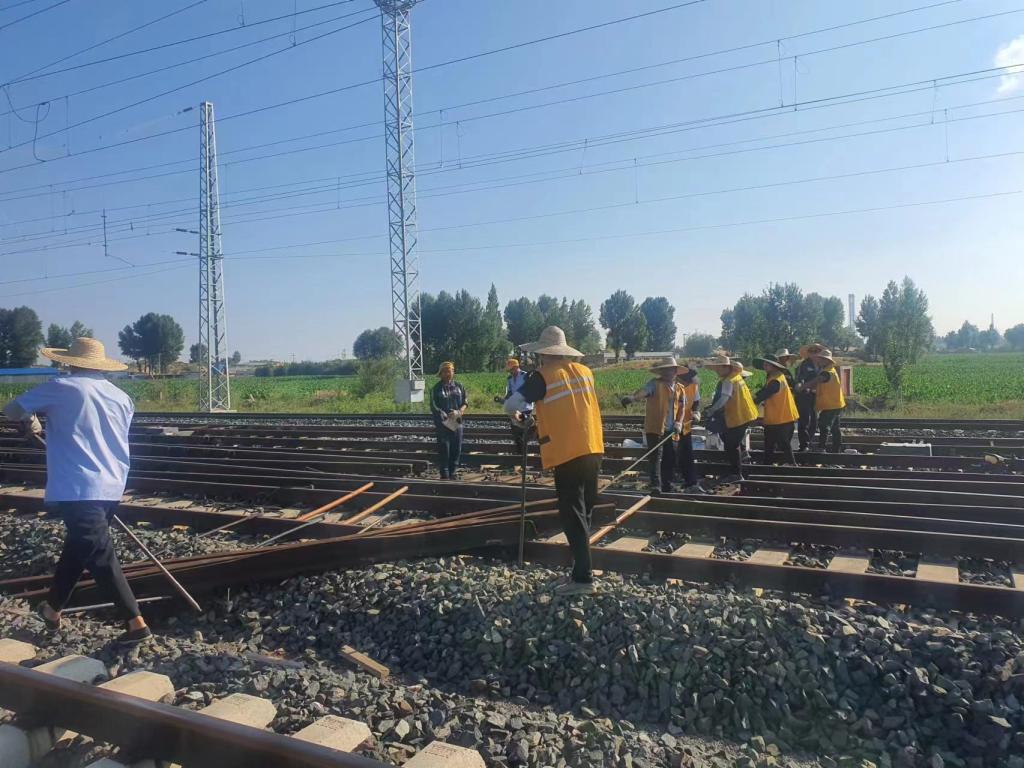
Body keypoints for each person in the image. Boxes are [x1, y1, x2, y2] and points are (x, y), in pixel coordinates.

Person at [2, 337, 151, 646]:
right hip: (113, 484)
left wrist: (31, 419)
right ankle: (52, 609)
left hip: (78, 485)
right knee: (80, 549)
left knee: (98, 553)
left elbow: (12, 409)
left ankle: (134, 622)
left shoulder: (62, 386)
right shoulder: (121, 397)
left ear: (70, 363)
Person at [503, 326, 604, 596]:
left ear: (543, 353)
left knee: (572, 516)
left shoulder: (543, 375)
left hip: (568, 453)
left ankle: (583, 579)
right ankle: (580, 569)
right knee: (584, 513)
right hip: (593, 447)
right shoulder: (585, 372)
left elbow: (511, 405)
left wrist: (518, 417)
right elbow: (570, 410)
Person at [700, 355, 758, 483]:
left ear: (727, 367)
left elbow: (724, 399)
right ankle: (743, 456)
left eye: (719, 368)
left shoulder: (728, 381)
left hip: (739, 416)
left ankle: (737, 473)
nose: (717, 370)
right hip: (745, 414)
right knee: (729, 439)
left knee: (731, 445)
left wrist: (711, 410)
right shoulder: (736, 377)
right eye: (716, 368)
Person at [753, 355, 799, 465]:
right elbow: (764, 390)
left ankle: (791, 465)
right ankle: (768, 464)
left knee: (782, 443)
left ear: (774, 366)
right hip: (778, 417)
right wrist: (754, 396)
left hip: (782, 417)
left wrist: (754, 401)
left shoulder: (776, 380)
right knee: (770, 443)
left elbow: (766, 393)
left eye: (767, 364)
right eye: (764, 364)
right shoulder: (774, 376)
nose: (764, 366)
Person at [430, 361, 467, 479]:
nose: (447, 374)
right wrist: (444, 415)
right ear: (440, 373)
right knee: (444, 449)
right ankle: (445, 473)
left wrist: (459, 411)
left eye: (450, 371)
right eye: (445, 371)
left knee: (456, 448)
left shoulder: (459, 386)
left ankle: (453, 471)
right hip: (443, 423)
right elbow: (434, 406)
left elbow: (465, 402)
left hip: (457, 421)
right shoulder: (436, 388)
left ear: (453, 372)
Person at [804, 349, 846, 453]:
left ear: (827, 360)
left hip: (831, 404)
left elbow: (816, 381)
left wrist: (802, 387)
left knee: (823, 425)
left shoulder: (826, 373)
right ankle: (837, 449)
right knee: (835, 428)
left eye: (822, 359)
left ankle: (821, 447)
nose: (819, 361)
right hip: (837, 403)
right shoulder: (831, 370)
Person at [674, 363, 706, 494]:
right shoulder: (673, 386)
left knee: (686, 451)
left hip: (686, 423)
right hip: (672, 423)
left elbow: (696, 401)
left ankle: (689, 480)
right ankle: (673, 477)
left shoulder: (693, 385)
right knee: (671, 451)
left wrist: (696, 411)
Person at [497, 357, 532, 456]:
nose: (510, 372)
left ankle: (524, 453)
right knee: (515, 431)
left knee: (523, 431)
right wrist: (503, 400)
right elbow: (509, 393)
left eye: (511, 370)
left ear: (516, 367)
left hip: (525, 407)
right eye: (509, 370)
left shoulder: (525, 376)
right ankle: (520, 453)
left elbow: (530, 390)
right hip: (515, 408)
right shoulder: (509, 379)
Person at [794, 343, 825, 452]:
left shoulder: (822, 365)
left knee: (814, 421)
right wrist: (803, 386)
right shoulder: (804, 365)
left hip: (815, 396)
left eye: (816, 351)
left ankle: (809, 442)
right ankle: (804, 445)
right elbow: (800, 380)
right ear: (808, 353)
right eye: (811, 351)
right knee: (805, 420)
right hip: (804, 395)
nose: (814, 353)